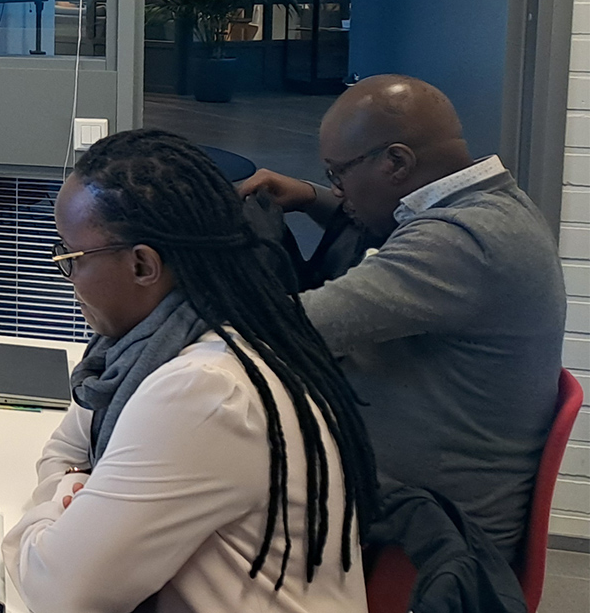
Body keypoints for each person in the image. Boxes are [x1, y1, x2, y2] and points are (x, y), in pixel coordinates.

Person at [4, 130, 381, 613]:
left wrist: (55, 506)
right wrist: (75, 488)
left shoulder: (201, 388)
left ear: (143, 264)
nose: (65, 279)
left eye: (73, 261)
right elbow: (69, 442)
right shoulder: (178, 339)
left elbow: (58, 582)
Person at [238, 75, 566, 561]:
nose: (338, 190)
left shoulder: (463, 243)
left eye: (338, 175)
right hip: (419, 494)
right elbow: (390, 221)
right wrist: (312, 197)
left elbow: (294, 329)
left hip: (432, 532)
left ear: (396, 162)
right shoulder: (488, 204)